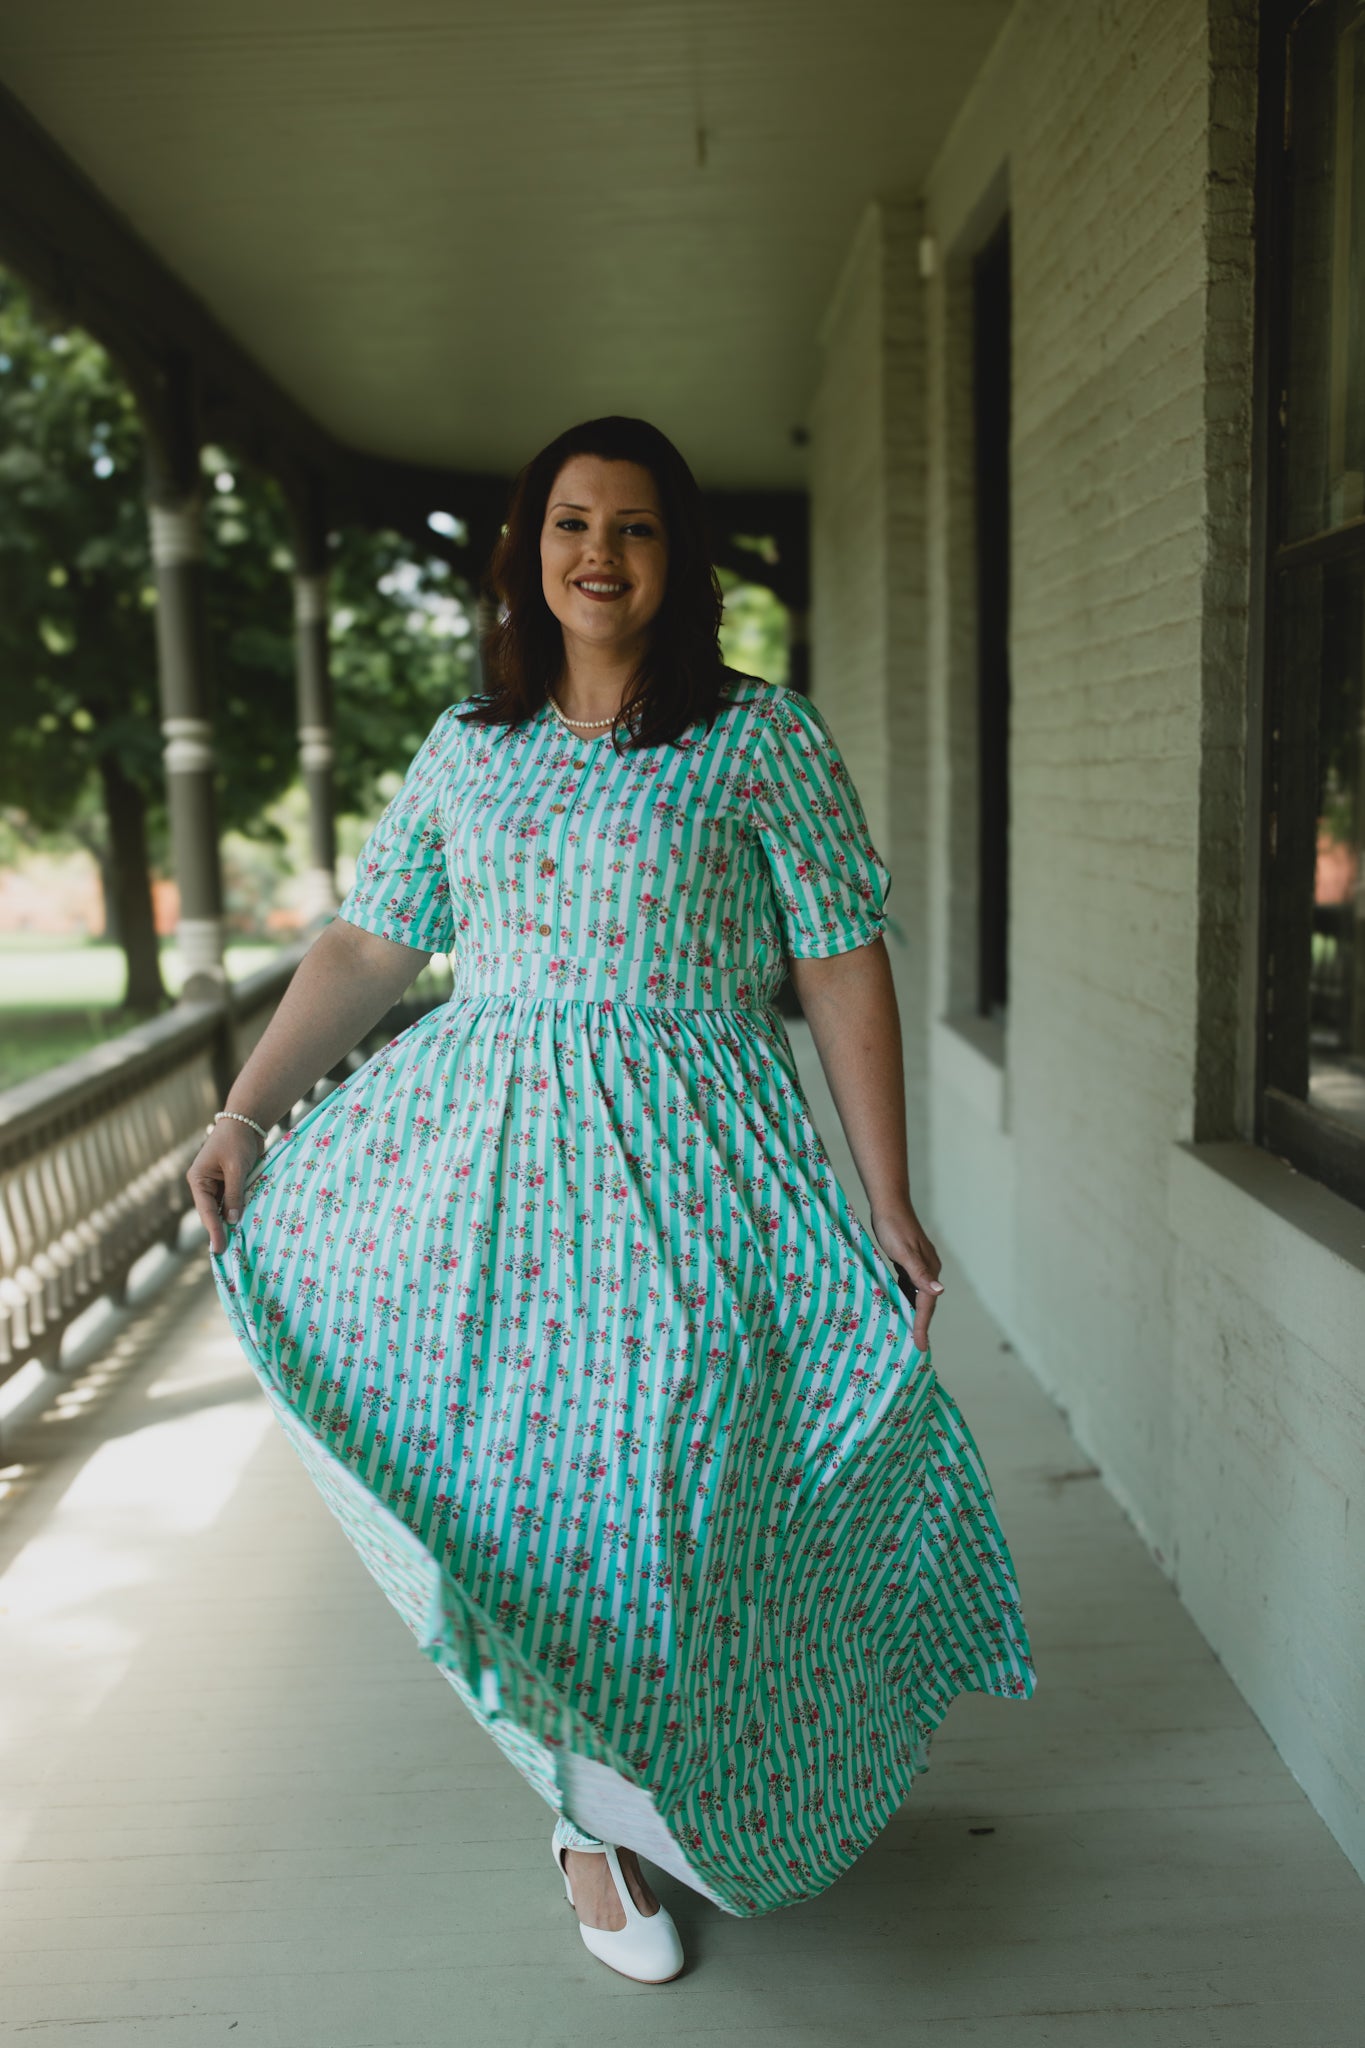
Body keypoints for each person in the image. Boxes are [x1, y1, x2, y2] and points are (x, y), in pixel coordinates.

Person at [188, 414, 1037, 1985]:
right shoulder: (468, 746)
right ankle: (589, 1828)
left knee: (685, 1486)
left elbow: (840, 955)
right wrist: (246, 1107)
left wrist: (889, 1196)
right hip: (481, 1180)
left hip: (702, 1164)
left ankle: (683, 1776)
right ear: (528, 553)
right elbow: (372, 946)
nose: (600, 552)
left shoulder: (761, 740)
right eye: (572, 522)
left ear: (676, 560)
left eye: (635, 527)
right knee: (531, 1502)